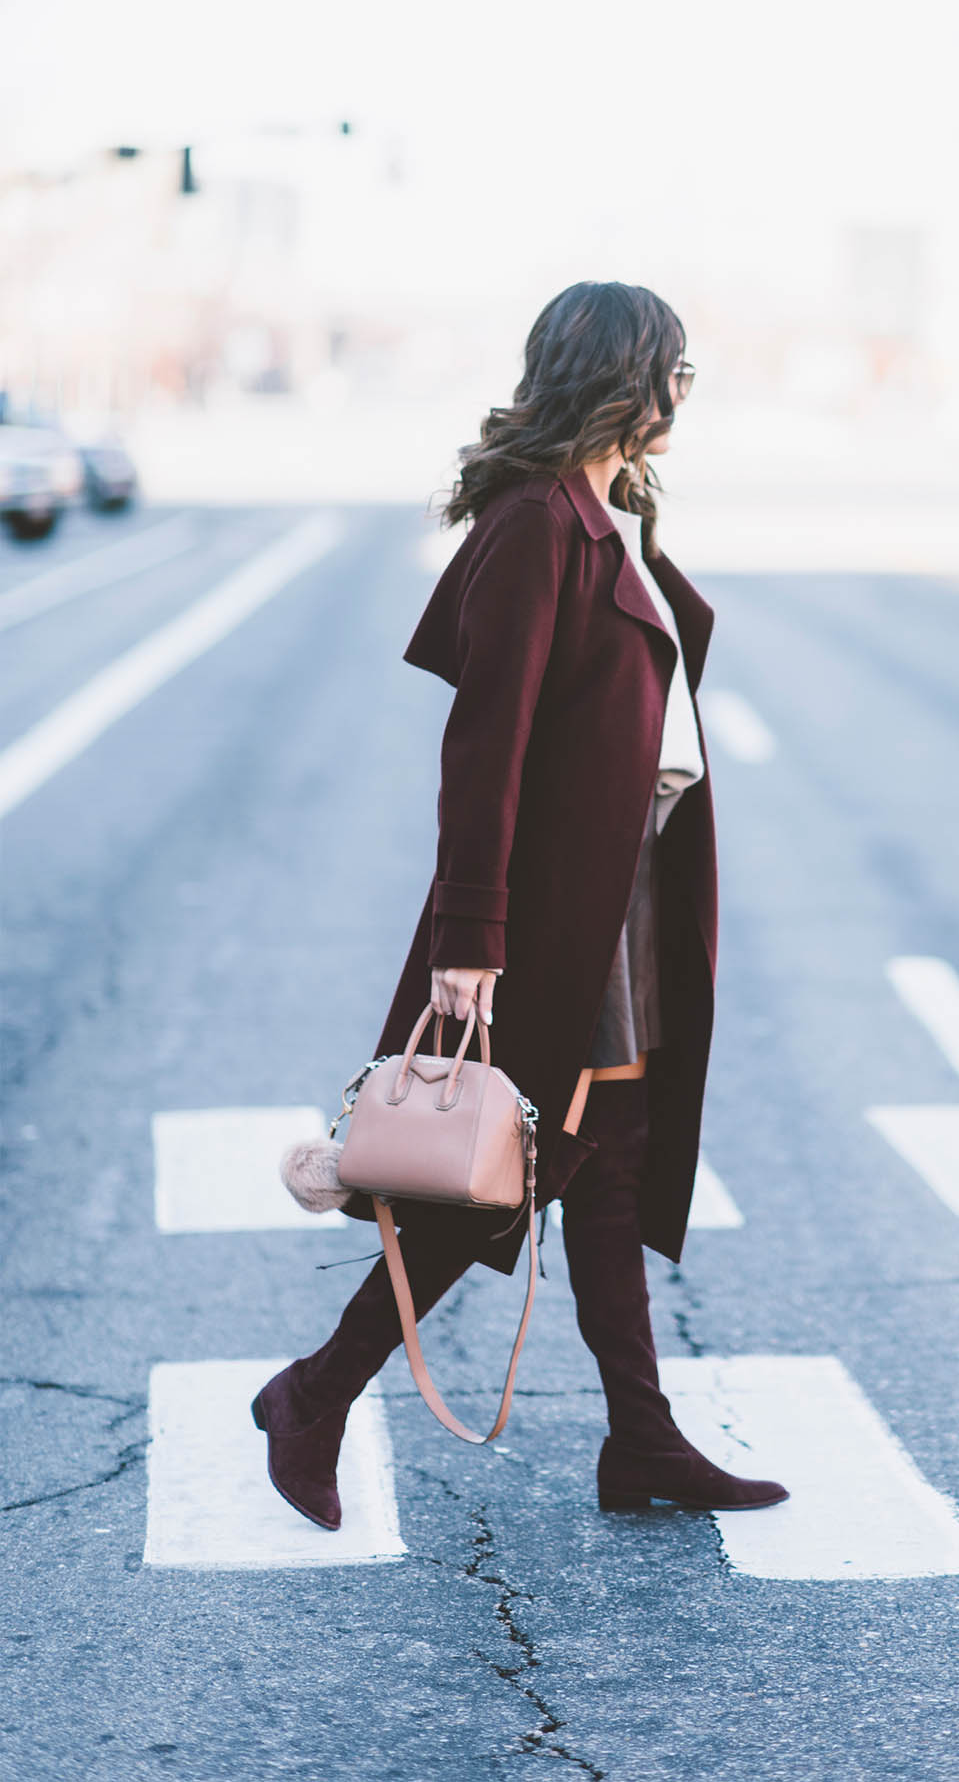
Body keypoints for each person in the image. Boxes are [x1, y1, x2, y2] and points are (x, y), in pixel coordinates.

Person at [252, 282, 788, 1528]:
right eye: (673, 372)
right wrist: (472, 940)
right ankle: (318, 1392)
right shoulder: (537, 525)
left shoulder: (608, 513)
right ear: (618, 376)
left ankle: (640, 1438)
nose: (680, 398)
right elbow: (482, 747)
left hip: (627, 887)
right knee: (496, 1163)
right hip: (559, 903)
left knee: (605, 1155)